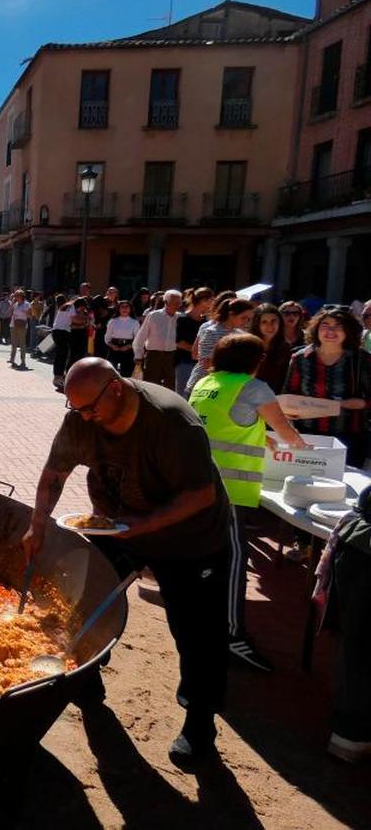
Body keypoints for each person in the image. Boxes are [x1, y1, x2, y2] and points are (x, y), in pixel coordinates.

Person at [23, 357, 233, 766]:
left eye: (90, 408)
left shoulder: (172, 422)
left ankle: (200, 721)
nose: (84, 417)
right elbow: (53, 475)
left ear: (116, 388)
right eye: (76, 409)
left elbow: (200, 495)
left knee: (197, 632)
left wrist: (146, 525)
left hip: (191, 538)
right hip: (117, 525)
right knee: (85, 596)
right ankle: (87, 677)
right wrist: (37, 527)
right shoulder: (82, 420)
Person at [188, 333, 307, 672]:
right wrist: (306, 450)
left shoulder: (207, 382)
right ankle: (232, 635)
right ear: (256, 361)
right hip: (230, 491)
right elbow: (286, 429)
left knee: (203, 560)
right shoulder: (254, 388)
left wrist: (262, 437)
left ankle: (203, 626)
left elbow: (226, 423)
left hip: (198, 483)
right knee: (234, 562)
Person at [312, 485, 371, 763]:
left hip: (359, 541)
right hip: (362, 544)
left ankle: (349, 734)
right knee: (359, 644)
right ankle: (352, 734)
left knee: (357, 644)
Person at [282, 307, 371, 467]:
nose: (331, 330)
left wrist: (361, 404)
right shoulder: (300, 358)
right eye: (326, 325)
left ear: (348, 330)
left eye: (338, 326)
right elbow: (289, 394)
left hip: (349, 438)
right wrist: (291, 411)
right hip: (308, 436)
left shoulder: (362, 360)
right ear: (316, 328)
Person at [184, 298, 255, 396]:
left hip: (225, 387)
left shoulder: (241, 334)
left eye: (249, 319)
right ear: (231, 315)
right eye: (243, 318)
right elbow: (206, 363)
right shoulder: (211, 332)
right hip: (202, 387)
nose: (246, 322)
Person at [133, 289, 183, 391]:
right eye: (175, 302)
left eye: (179, 302)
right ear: (166, 302)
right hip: (153, 356)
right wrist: (138, 355)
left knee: (170, 386)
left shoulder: (180, 318)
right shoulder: (153, 316)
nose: (178, 305)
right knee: (151, 386)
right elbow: (141, 336)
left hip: (172, 356)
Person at [175, 288, 214, 397]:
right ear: (202, 301)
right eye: (210, 300)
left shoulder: (206, 322)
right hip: (184, 363)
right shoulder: (182, 319)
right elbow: (179, 342)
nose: (212, 304)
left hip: (200, 365)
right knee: (183, 396)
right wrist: (198, 351)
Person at [253, 303, 292, 393]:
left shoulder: (285, 348)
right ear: (257, 324)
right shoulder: (247, 346)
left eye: (273, 321)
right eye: (264, 322)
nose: (270, 326)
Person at [104, 300, 140, 377]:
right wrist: (112, 345)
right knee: (111, 372)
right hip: (114, 348)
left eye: (127, 307)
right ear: (118, 309)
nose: (124, 309)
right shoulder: (112, 321)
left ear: (130, 309)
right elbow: (107, 337)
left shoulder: (134, 322)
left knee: (127, 373)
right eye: (122, 307)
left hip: (128, 348)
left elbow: (137, 339)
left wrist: (128, 346)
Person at [51, 295, 73, 391]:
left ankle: (57, 376)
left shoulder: (62, 308)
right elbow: (73, 318)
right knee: (63, 354)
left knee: (59, 354)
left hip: (56, 331)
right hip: (63, 331)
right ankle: (59, 378)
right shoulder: (70, 307)